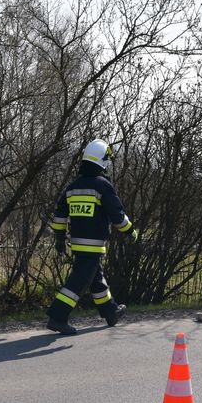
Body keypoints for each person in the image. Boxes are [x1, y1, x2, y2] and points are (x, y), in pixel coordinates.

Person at [46, 139, 139, 335]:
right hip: (94, 245)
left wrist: (59, 239)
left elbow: (59, 216)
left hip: (78, 245)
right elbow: (117, 215)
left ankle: (110, 311)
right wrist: (130, 231)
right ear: (102, 161)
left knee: (96, 279)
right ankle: (58, 316)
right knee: (78, 283)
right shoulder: (102, 186)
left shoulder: (72, 187)